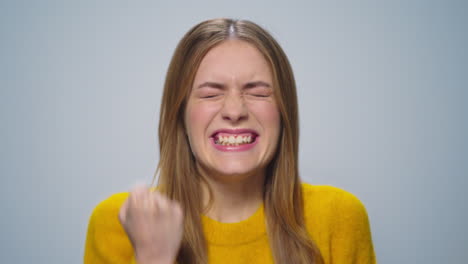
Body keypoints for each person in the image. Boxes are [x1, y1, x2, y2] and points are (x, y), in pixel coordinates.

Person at [84, 18, 376, 264]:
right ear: (180, 114)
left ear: (284, 111)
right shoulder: (118, 223)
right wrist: (154, 256)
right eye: (211, 93)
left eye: (258, 92)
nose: (235, 111)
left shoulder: (339, 217)